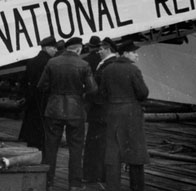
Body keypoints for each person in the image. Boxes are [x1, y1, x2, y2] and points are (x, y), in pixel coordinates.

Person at [37, 37, 97, 190]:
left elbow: (42, 85)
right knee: (76, 149)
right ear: (78, 49)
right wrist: (79, 93)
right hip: (76, 110)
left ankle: (48, 183)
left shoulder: (52, 62)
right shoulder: (84, 64)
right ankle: (75, 185)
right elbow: (92, 89)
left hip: (54, 109)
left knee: (50, 148)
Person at [100, 40, 149, 191]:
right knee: (135, 151)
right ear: (126, 53)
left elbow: (102, 93)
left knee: (113, 152)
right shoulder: (133, 70)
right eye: (134, 52)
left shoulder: (107, 69)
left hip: (113, 113)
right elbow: (143, 93)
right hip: (131, 114)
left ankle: (112, 187)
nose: (137, 56)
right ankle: (136, 187)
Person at [83, 37, 119, 186]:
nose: (99, 51)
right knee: (100, 144)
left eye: (101, 49)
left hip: (100, 111)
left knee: (97, 144)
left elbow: (103, 89)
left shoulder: (108, 65)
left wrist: (89, 93)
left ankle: (94, 175)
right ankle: (99, 174)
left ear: (108, 49)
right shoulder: (106, 64)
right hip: (102, 111)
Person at [18, 36, 58, 150]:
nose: (56, 51)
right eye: (54, 48)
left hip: (32, 100)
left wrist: (26, 96)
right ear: (47, 48)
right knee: (43, 133)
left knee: (32, 131)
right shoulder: (49, 62)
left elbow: (24, 81)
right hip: (44, 101)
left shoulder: (32, 61)